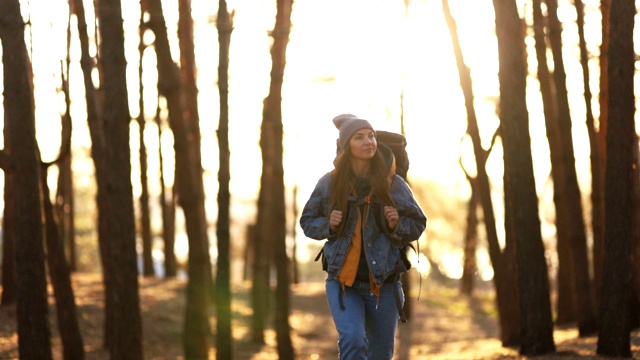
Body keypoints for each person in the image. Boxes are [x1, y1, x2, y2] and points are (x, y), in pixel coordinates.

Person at [300, 113, 427, 359]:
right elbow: (307, 221)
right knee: (353, 340)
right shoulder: (330, 183)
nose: (368, 141)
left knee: (380, 354)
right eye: (359, 137)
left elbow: (418, 222)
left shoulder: (393, 183)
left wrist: (396, 224)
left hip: (384, 286)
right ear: (347, 145)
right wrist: (329, 224)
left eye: (371, 136)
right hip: (343, 283)